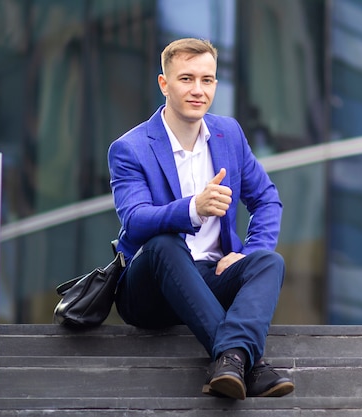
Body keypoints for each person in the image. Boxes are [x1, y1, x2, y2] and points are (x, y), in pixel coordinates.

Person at [107, 38, 294, 400]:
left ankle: (232, 359)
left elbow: (267, 200)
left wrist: (248, 251)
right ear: (164, 84)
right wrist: (194, 207)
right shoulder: (131, 148)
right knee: (163, 243)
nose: (198, 90)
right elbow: (135, 220)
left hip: (211, 277)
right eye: (186, 79)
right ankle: (246, 362)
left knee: (268, 261)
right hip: (149, 288)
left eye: (207, 80)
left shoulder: (229, 135)